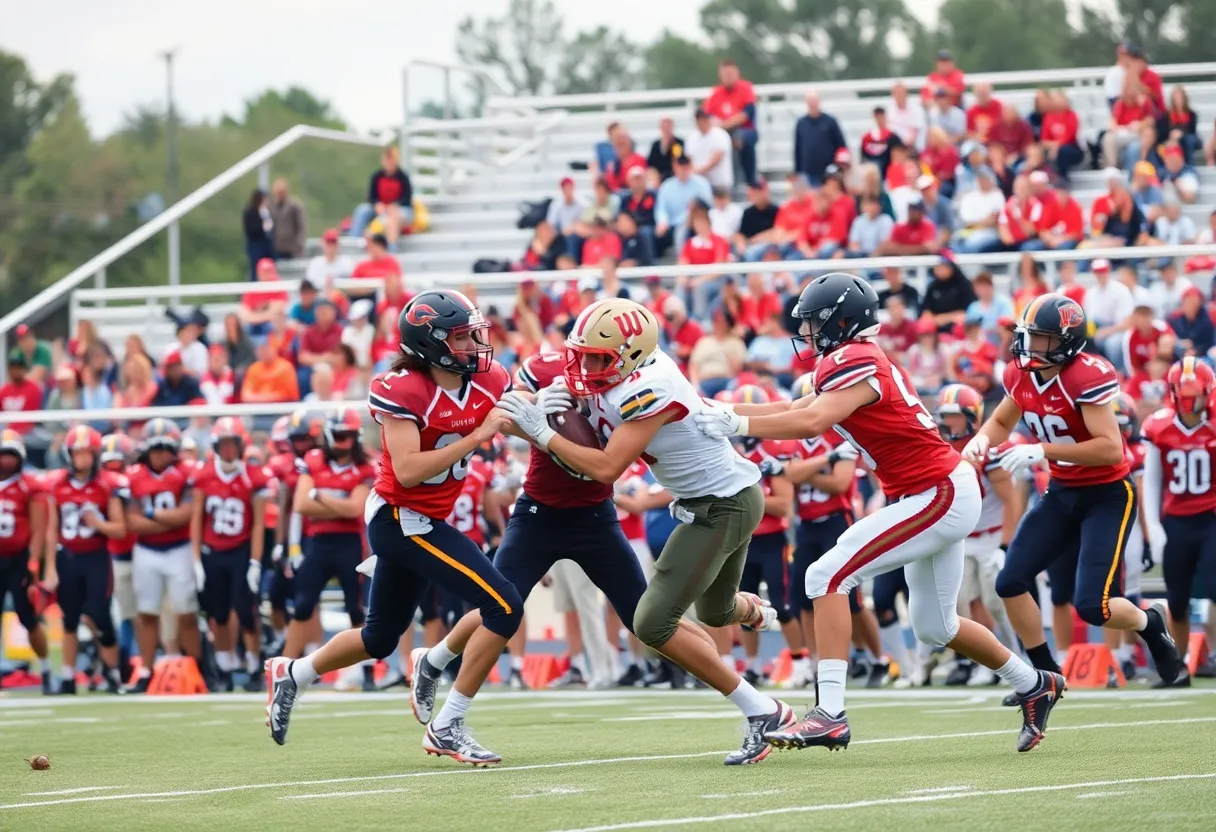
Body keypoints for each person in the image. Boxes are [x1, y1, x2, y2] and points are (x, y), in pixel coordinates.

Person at [696, 273, 1060, 753]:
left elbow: (811, 420)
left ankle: (829, 713)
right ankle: (1034, 682)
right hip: (932, 490)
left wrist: (737, 421)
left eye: (813, 324)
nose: (806, 334)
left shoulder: (856, 359)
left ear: (841, 322)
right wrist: (719, 411)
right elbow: (799, 404)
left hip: (936, 491)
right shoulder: (852, 359)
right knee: (935, 625)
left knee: (824, 576)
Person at [493, 298, 794, 764]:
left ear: (631, 356)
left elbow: (607, 466)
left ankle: (764, 711)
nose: (585, 366)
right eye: (583, 353)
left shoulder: (650, 387)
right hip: (719, 497)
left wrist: (541, 431)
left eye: (599, 358)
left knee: (651, 622)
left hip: (722, 506)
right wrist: (542, 402)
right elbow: (591, 414)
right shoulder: (627, 371)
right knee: (714, 613)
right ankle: (748, 609)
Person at [412, 351, 730, 756]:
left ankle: (726, 674)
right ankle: (446, 704)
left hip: (596, 515)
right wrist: (535, 407)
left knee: (644, 615)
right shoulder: (552, 365)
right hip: (538, 513)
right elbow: (501, 408)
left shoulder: (639, 382)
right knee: (501, 606)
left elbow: (620, 452)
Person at [264, 291, 519, 753]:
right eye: (462, 337)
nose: (474, 345)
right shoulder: (401, 388)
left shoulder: (489, 379)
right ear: (432, 343)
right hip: (400, 518)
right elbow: (409, 469)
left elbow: (514, 418)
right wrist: (477, 437)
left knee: (379, 638)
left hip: (427, 517)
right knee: (505, 606)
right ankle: (449, 723)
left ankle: (292, 673)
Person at [964, 293, 1183, 692]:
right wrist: (980, 442)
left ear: (1067, 340)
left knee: (1092, 606)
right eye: (1029, 336)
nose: (1030, 346)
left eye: (1042, 338)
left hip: (1107, 494)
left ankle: (1148, 621)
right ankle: (1045, 674)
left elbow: (1109, 448)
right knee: (1010, 581)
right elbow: (1000, 419)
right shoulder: (1020, 373)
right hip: (1064, 489)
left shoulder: (1087, 375)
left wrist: (1042, 449)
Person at [282, 408, 375, 692]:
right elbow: (300, 505)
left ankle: (364, 670)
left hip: (350, 543)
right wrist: (339, 502)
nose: (342, 440)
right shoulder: (313, 460)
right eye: (338, 434)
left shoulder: (364, 467)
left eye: (347, 435)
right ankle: (285, 668)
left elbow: (354, 509)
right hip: (319, 543)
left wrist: (319, 495)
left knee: (354, 608)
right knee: (303, 604)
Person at [1141, 358, 1216, 687]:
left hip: (1212, 516)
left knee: (1215, 589)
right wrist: (1155, 528)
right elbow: (1152, 480)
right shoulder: (1159, 425)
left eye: (1195, 394)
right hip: (1177, 520)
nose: (1190, 402)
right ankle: (1179, 665)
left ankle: (1212, 654)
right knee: (1178, 598)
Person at [43, 426, 129, 694]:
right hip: (67, 556)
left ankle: (113, 673)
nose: (81, 458)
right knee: (69, 618)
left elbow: (120, 528)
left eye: (86, 453)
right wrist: (49, 568)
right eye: (76, 453)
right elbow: (51, 528)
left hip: (95, 556)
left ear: (95, 454)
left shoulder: (106, 484)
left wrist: (98, 523)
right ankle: (67, 676)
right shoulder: (57, 483)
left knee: (100, 615)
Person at [123, 418, 202, 694]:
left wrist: (152, 515)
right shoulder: (134, 475)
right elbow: (132, 522)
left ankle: (198, 668)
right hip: (146, 550)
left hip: (179, 549)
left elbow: (187, 514)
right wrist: (169, 520)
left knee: (187, 613)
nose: (159, 454)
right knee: (146, 613)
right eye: (155, 449)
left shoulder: (185, 472)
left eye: (165, 448)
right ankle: (145, 670)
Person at [190, 418, 269, 692]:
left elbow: (259, 523)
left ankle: (253, 665)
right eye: (223, 444)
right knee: (219, 615)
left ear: (241, 445)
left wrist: (255, 562)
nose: (228, 451)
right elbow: (197, 517)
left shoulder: (251, 476)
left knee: (246, 613)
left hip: (240, 551)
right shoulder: (204, 475)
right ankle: (224, 667)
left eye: (232, 444)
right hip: (213, 553)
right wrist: (196, 559)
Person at [0, 430, 53, 693]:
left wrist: (33, 561)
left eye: (11, 456)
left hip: (18, 559)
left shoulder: (29, 486)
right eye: (3, 456)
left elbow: (38, 527)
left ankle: (45, 669)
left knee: (27, 617)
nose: (7, 462)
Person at [704, 59, 758, 186]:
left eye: (731, 73)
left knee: (738, 139)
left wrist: (724, 124)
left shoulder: (745, 88)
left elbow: (746, 115)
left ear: (737, 73)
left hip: (744, 130)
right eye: (725, 74)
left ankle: (749, 180)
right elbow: (707, 114)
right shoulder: (716, 92)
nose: (728, 77)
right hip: (721, 131)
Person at [350, 146, 413, 245]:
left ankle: (392, 249)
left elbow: (407, 198)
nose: (389, 163)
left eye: (391, 159)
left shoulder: (403, 177)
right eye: (386, 160)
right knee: (362, 210)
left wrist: (395, 205)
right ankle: (354, 240)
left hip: (399, 210)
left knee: (393, 218)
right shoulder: (376, 176)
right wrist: (377, 204)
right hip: (381, 208)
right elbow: (371, 196)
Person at [794, 91, 846, 186]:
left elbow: (841, 145)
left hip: (828, 171)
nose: (812, 104)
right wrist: (797, 171)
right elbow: (797, 148)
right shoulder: (801, 123)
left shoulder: (830, 122)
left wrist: (840, 168)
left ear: (819, 102)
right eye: (810, 102)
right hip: (808, 172)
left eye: (814, 101)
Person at [687, 109, 734, 191]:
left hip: (719, 184)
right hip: (699, 183)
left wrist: (697, 172)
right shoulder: (692, 137)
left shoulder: (720, 135)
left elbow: (716, 159)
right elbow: (689, 158)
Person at [269, 179, 306, 260]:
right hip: (277, 247)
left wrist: (299, 244)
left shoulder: (294, 206)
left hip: (292, 248)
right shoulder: (272, 207)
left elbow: (301, 226)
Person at [242, 189, 274, 281]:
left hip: (266, 245)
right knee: (255, 270)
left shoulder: (265, 211)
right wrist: (262, 227)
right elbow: (250, 230)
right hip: (255, 245)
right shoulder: (250, 212)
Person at [646, 118, 684, 183]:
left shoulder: (677, 143)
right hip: (658, 178)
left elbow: (677, 160)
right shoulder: (656, 145)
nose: (666, 130)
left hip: (673, 176)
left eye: (668, 127)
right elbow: (650, 165)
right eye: (664, 128)